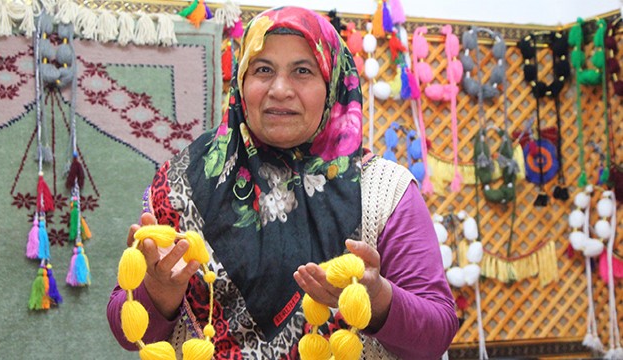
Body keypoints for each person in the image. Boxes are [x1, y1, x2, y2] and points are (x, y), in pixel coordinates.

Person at [107, 6, 458, 359]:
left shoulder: (384, 191)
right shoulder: (184, 181)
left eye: (302, 71)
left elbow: (437, 334)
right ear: (241, 82)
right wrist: (158, 291)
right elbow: (128, 331)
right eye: (263, 70)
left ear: (333, 84)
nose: (279, 89)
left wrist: (377, 297)